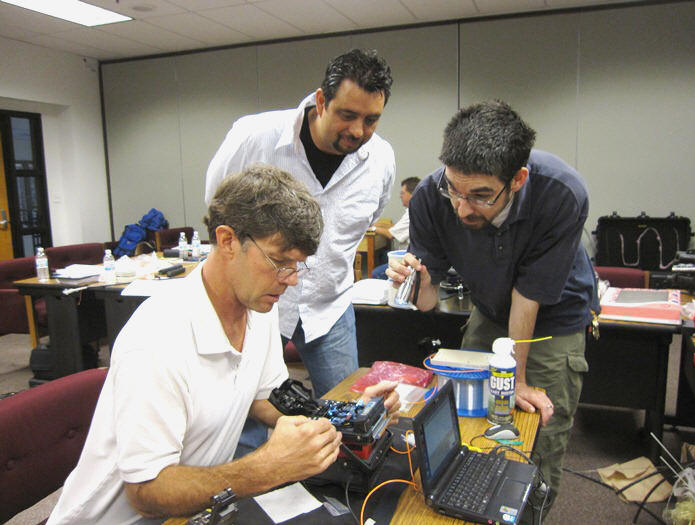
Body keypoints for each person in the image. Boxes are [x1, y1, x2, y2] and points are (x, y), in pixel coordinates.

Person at [48, 165, 399, 525]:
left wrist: (351, 417)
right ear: (228, 240)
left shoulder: (257, 305)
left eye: (298, 265)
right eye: (280, 262)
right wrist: (266, 468)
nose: (292, 280)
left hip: (196, 512)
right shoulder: (157, 339)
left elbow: (269, 400)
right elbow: (147, 494)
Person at [387, 101, 598, 513]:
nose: (463, 208)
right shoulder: (431, 195)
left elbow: (529, 295)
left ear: (518, 179)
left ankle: (526, 512)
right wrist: (419, 284)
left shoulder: (561, 193)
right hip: (489, 307)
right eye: (456, 190)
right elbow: (429, 301)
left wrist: (516, 379)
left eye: (481, 195)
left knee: (535, 431)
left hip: (554, 318)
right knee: (467, 420)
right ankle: (470, 500)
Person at [205, 49, 395, 397]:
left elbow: (369, 219)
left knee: (346, 413)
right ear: (321, 101)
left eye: (371, 120)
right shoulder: (254, 137)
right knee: (245, 414)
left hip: (330, 306)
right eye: (347, 114)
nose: (357, 130)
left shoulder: (381, 160)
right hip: (255, 305)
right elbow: (217, 208)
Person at [371, 176, 420, 279]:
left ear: (412, 194)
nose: (400, 196)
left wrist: (371, 228)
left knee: (375, 273)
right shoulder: (412, 209)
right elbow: (395, 227)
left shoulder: (413, 212)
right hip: (409, 253)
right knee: (384, 255)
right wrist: (376, 224)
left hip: (409, 257)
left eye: (402, 193)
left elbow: (390, 235)